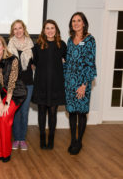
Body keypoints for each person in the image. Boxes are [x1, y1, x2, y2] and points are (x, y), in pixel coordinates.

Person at [0, 35, 27, 162]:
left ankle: (6, 152)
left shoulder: (13, 59)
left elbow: (12, 83)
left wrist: (6, 103)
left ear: (3, 46)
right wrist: (0, 101)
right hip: (1, 94)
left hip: (15, 93)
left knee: (5, 118)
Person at [64, 12, 97, 155]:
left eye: (79, 20)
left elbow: (90, 63)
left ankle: (79, 141)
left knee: (81, 112)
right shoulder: (70, 40)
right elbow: (67, 61)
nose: (76, 23)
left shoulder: (90, 40)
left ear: (84, 22)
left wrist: (84, 84)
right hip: (69, 82)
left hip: (83, 82)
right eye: (73, 21)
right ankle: (73, 140)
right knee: (71, 112)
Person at [32, 19, 67, 149]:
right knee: (41, 112)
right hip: (41, 83)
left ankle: (51, 138)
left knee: (52, 112)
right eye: (47, 28)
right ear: (44, 31)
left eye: (52, 28)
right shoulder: (38, 45)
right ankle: (42, 138)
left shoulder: (62, 45)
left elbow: (66, 60)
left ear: (56, 30)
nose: (50, 30)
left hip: (56, 84)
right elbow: (34, 63)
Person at [8, 20, 34, 150]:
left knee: (24, 112)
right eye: (15, 29)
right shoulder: (9, 46)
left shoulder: (31, 45)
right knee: (15, 112)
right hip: (14, 85)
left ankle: (22, 139)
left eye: (20, 28)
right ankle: (16, 138)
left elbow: (36, 63)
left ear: (24, 29)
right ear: (12, 31)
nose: (18, 31)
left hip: (28, 83)